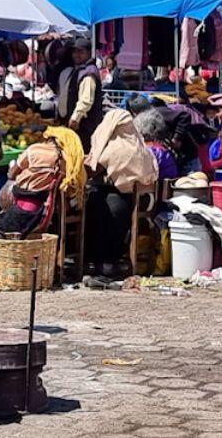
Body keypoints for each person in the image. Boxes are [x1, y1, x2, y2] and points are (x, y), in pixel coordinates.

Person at [83, 108, 158, 278]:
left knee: (95, 204)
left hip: (121, 200)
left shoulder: (115, 148)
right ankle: (111, 257)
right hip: (143, 199)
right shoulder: (140, 145)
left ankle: (100, 258)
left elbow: (93, 169)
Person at [57, 37, 105, 144]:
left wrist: (75, 117)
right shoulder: (79, 70)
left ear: (88, 53)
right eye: (74, 51)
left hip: (85, 125)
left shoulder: (89, 73)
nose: (76, 54)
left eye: (80, 51)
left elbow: (86, 100)